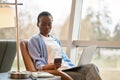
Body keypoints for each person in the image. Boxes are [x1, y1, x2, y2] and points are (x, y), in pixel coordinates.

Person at [28, 11, 102, 80]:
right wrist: (51, 66)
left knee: (92, 66)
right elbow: (38, 64)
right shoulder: (34, 40)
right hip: (57, 71)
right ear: (38, 24)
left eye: (49, 24)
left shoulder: (55, 40)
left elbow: (64, 58)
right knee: (84, 75)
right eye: (43, 24)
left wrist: (74, 67)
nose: (47, 27)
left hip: (67, 68)